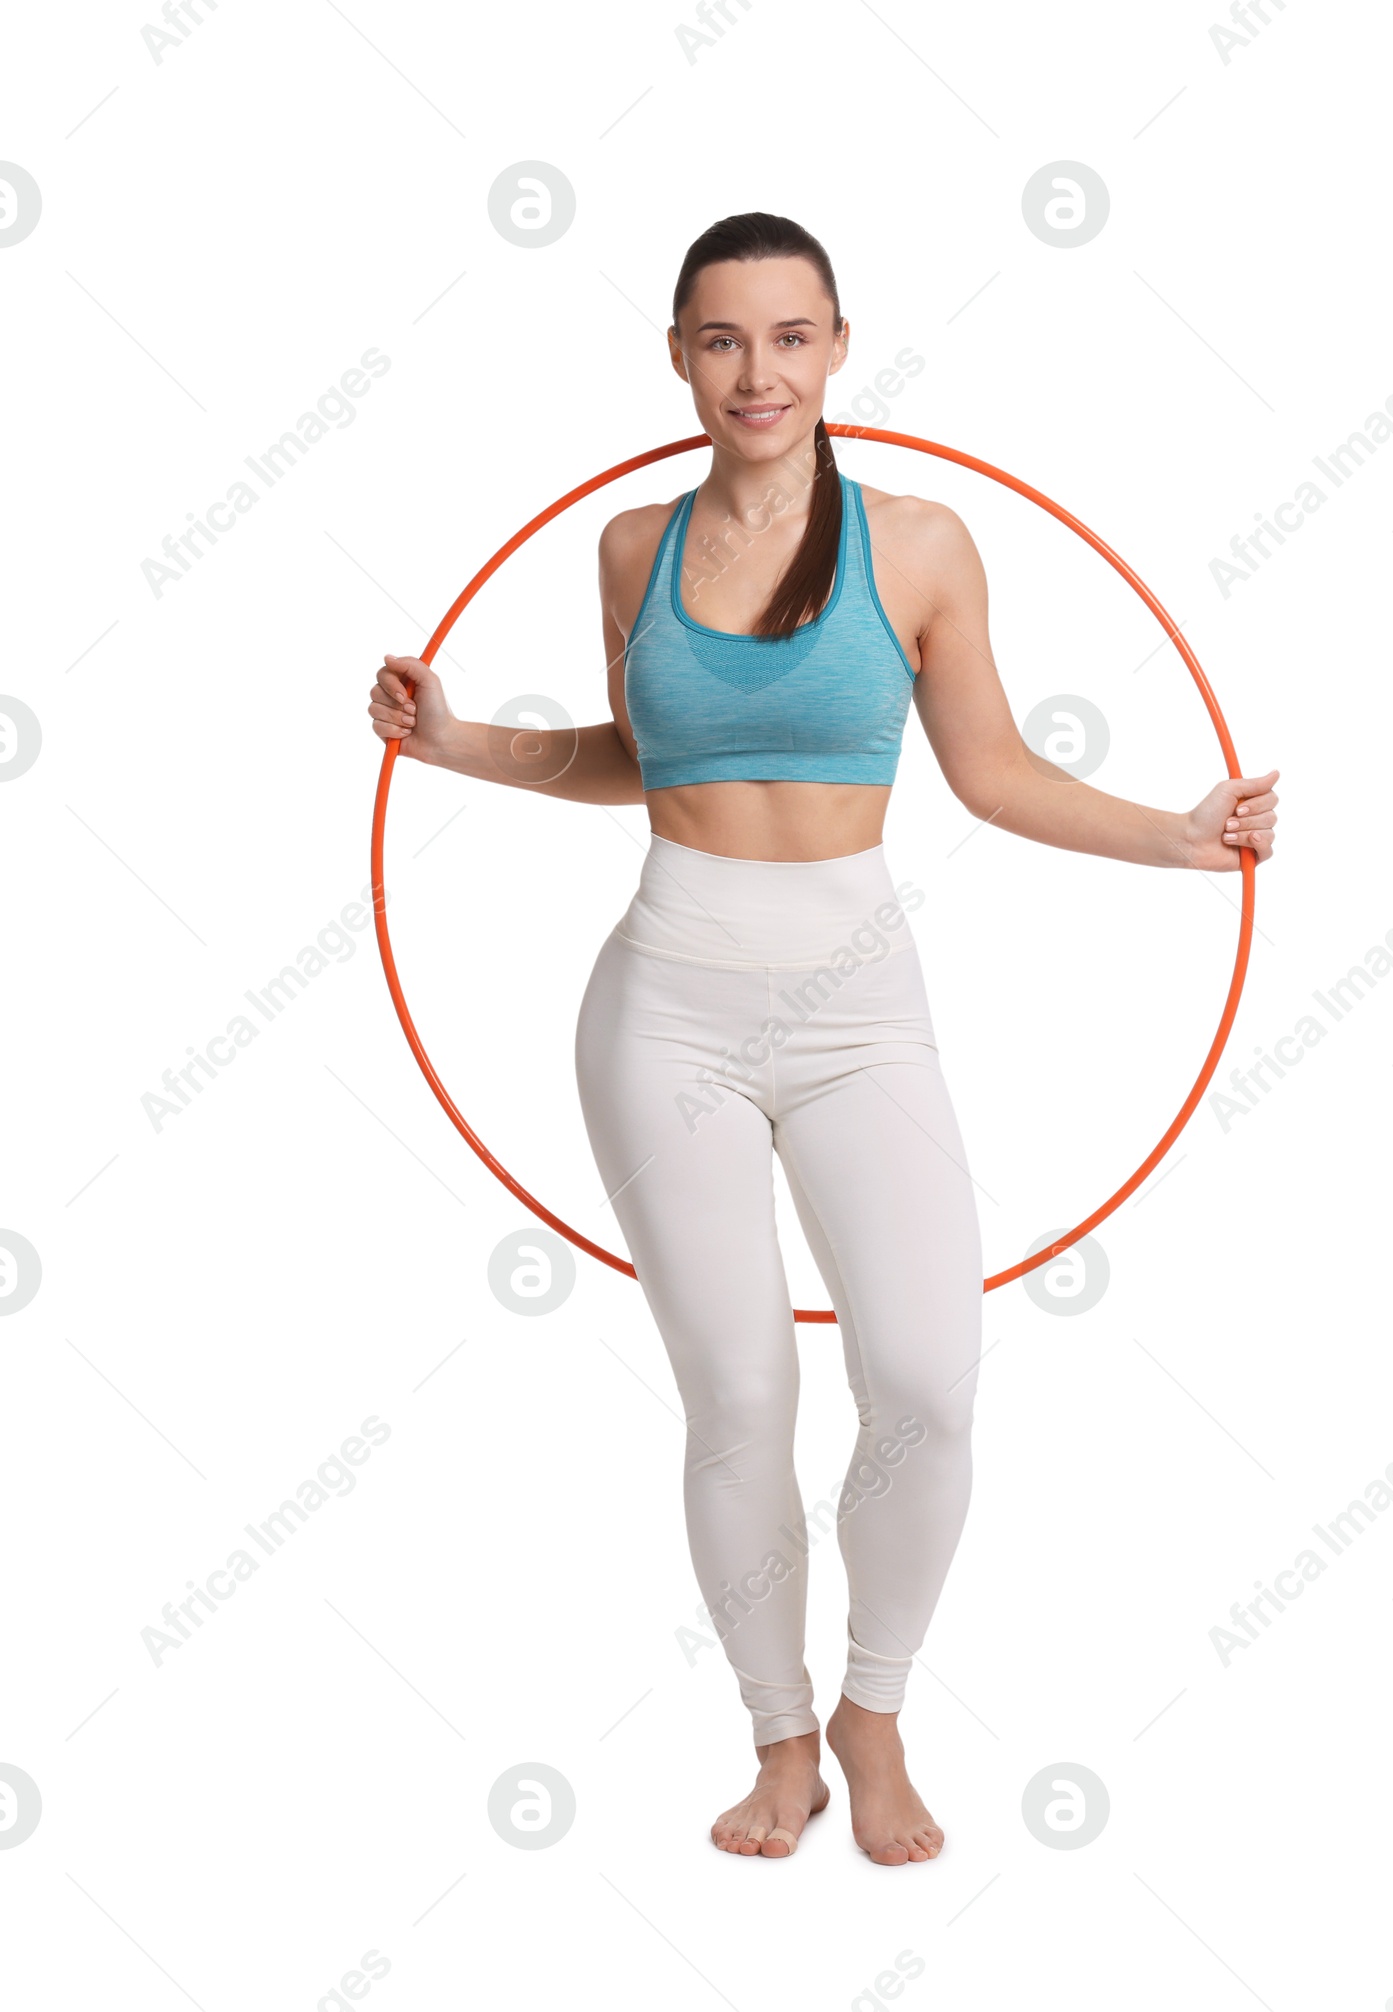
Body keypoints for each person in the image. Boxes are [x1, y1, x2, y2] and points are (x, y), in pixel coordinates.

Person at [368, 211, 1279, 1867]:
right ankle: (780, 1740)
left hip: (862, 1013)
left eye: (791, 337)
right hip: (665, 1009)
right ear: (677, 359)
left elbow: (993, 774)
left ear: (841, 347)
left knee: (926, 1382)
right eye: (722, 340)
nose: (756, 372)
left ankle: (876, 1709)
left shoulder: (921, 543)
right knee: (740, 1390)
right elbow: (642, 761)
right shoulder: (631, 551)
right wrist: (456, 747)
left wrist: (1182, 833)